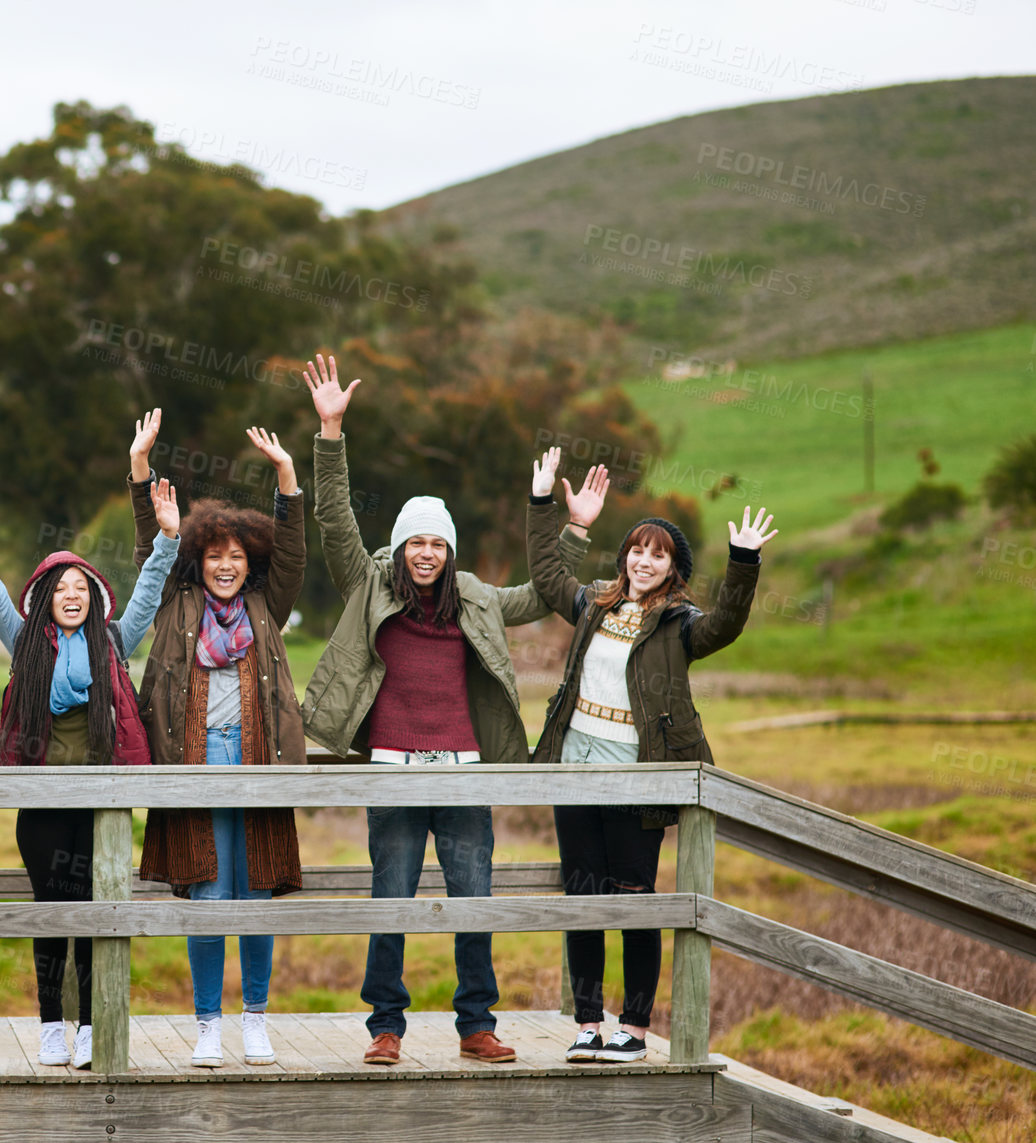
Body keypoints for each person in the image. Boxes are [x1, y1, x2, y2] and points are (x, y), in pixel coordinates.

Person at [296, 355, 593, 1068]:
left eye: (438, 542)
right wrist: (331, 432)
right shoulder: (369, 583)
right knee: (390, 899)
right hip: (391, 772)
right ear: (400, 547)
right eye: (416, 542)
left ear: (449, 549)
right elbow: (335, 518)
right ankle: (385, 1027)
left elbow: (546, 591)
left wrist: (567, 528)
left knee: (474, 900)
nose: (426, 553)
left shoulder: (477, 598)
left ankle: (475, 1025)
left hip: (464, 773)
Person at [527, 446, 772, 1063]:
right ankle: (587, 1022)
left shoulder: (680, 624)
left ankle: (633, 1030)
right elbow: (545, 576)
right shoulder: (593, 604)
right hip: (576, 765)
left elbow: (729, 625)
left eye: (658, 554)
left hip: (639, 775)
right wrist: (552, 511)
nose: (644, 560)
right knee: (582, 898)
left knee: (636, 897)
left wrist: (743, 563)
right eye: (637, 549)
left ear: (673, 569)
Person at [0, 459, 178, 1069]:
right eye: (61, 590)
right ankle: (52, 1025)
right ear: (44, 600)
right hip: (44, 804)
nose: (71, 597)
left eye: (82, 590)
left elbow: (150, 593)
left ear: (95, 601)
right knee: (54, 912)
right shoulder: (23, 640)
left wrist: (168, 540)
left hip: (102, 804)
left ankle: (87, 1029)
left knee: (96, 915)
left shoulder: (112, 643)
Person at [129, 410, 307, 1069]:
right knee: (205, 891)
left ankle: (255, 1019)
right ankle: (208, 1022)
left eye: (236, 556)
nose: (225, 566)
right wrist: (141, 467)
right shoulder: (178, 602)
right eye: (214, 555)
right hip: (194, 761)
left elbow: (292, 553)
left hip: (259, 759)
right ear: (197, 561)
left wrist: (287, 475)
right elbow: (155, 541)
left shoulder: (267, 605)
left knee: (255, 888)